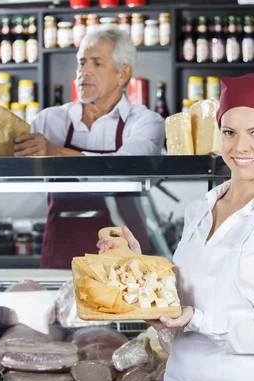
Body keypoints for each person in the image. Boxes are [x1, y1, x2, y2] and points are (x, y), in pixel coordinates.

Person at [98, 73, 254, 381]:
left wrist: (200, 321)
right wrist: (137, 264)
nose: (240, 146)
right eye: (229, 132)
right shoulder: (198, 210)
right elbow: (183, 295)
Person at [13, 26, 165, 269]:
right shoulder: (48, 120)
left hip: (125, 251)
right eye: (82, 62)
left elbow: (126, 167)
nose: (84, 71)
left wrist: (55, 153)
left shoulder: (145, 122)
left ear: (122, 73)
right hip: (63, 247)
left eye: (96, 63)